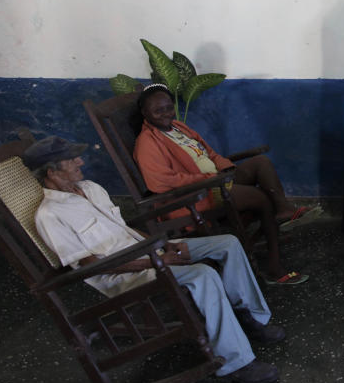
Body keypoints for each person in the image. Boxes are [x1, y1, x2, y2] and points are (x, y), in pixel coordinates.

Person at [24, 135, 286, 383]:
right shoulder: (50, 216)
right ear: (52, 172)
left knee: (227, 243)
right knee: (203, 275)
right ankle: (235, 362)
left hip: (149, 252)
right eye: (72, 160)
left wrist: (164, 245)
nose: (80, 162)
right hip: (125, 275)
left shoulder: (90, 188)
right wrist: (157, 260)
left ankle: (248, 317)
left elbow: (123, 229)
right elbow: (90, 266)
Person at [133, 84, 316, 285]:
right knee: (261, 198)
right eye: (158, 110)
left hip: (216, 180)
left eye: (169, 107)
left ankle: (283, 210)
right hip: (196, 194)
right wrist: (208, 179)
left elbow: (209, 154)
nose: (166, 114)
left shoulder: (179, 128)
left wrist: (226, 169)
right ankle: (274, 268)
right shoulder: (147, 142)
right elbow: (160, 181)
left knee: (260, 163)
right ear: (145, 113)